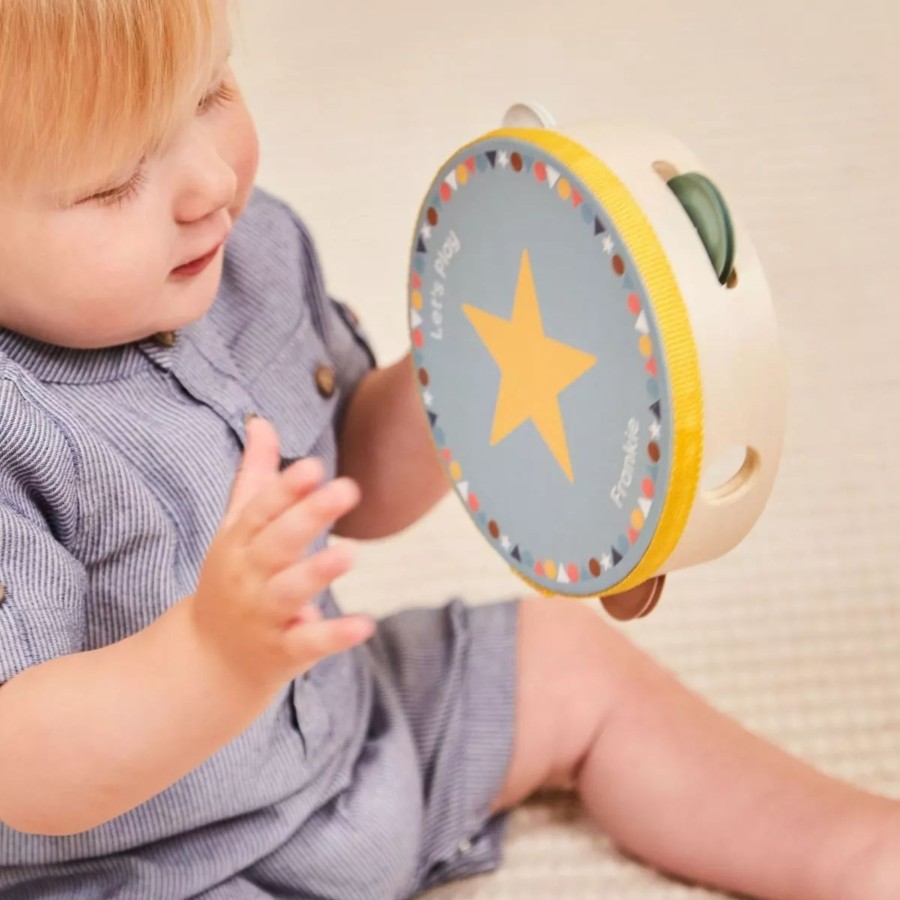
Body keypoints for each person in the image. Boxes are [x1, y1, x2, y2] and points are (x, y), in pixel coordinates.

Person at [0, 2, 895, 898]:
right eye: (114, 182)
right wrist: (210, 658)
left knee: (559, 659)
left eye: (211, 93)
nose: (209, 182)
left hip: (350, 741)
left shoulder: (242, 247)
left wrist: (473, 374)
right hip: (141, 872)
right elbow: (24, 765)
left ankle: (857, 853)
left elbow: (354, 473)